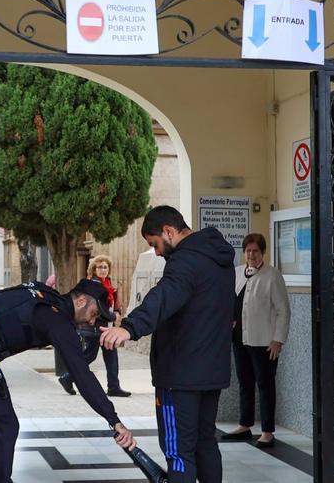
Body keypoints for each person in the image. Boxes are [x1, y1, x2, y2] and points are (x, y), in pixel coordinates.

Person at [0, 279, 136, 483]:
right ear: (80, 301)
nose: (91, 322)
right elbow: (82, 375)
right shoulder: (57, 320)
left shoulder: (44, 293)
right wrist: (113, 420)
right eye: (94, 314)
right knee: (6, 425)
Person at [100, 205, 235, 483]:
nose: (157, 252)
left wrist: (129, 327)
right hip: (211, 372)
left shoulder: (185, 262)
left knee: (179, 452)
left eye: (155, 244)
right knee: (205, 444)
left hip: (180, 375)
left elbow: (164, 296)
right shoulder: (218, 259)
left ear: (169, 232)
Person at [221, 233, 290, 448]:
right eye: (248, 251)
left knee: (265, 384)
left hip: (264, 341)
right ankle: (245, 424)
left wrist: (278, 340)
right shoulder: (237, 273)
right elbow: (230, 302)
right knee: (245, 382)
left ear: (262, 252)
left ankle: (268, 431)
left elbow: (283, 311)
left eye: (256, 251)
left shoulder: (272, 276)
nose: (251, 254)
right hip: (240, 339)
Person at [58, 255, 131, 397]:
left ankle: (113, 387)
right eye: (100, 267)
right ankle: (67, 377)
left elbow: (112, 306)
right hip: (93, 328)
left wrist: (117, 310)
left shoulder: (109, 285)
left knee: (111, 356)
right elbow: (97, 309)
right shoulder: (92, 285)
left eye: (105, 267)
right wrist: (112, 316)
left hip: (106, 327)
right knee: (90, 355)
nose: (103, 270)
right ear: (94, 269)